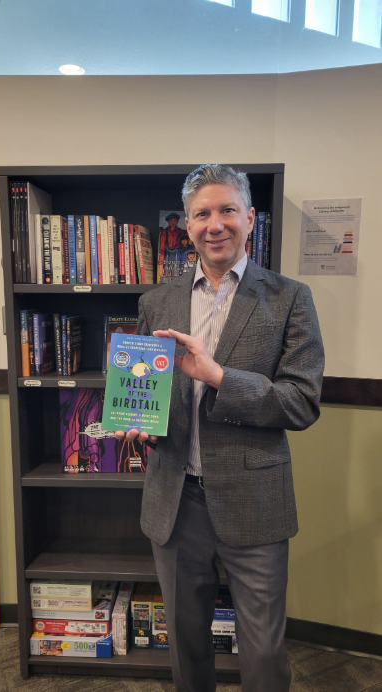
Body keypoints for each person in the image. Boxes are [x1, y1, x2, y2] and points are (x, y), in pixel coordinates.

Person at [115, 164, 324, 692]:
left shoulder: (289, 298)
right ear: (186, 225)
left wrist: (220, 377)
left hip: (256, 501)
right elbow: (147, 388)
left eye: (227, 210)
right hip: (175, 499)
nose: (215, 224)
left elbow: (301, 403)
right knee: (185, 644)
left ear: (250, 218)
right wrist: (138, 423)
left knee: (263, 652)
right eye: (202, 213)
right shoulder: (156, 301)